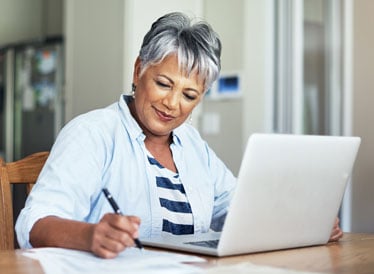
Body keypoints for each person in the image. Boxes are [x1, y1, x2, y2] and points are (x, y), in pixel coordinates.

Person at [15, 12, 343, 259]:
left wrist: (302, 223)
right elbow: (33, 224)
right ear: (138, 70)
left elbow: (238, 210)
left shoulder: (193, 145)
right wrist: (89, 236)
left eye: (189, 96)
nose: (172, 105)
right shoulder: (92, 133)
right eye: (163, 84)